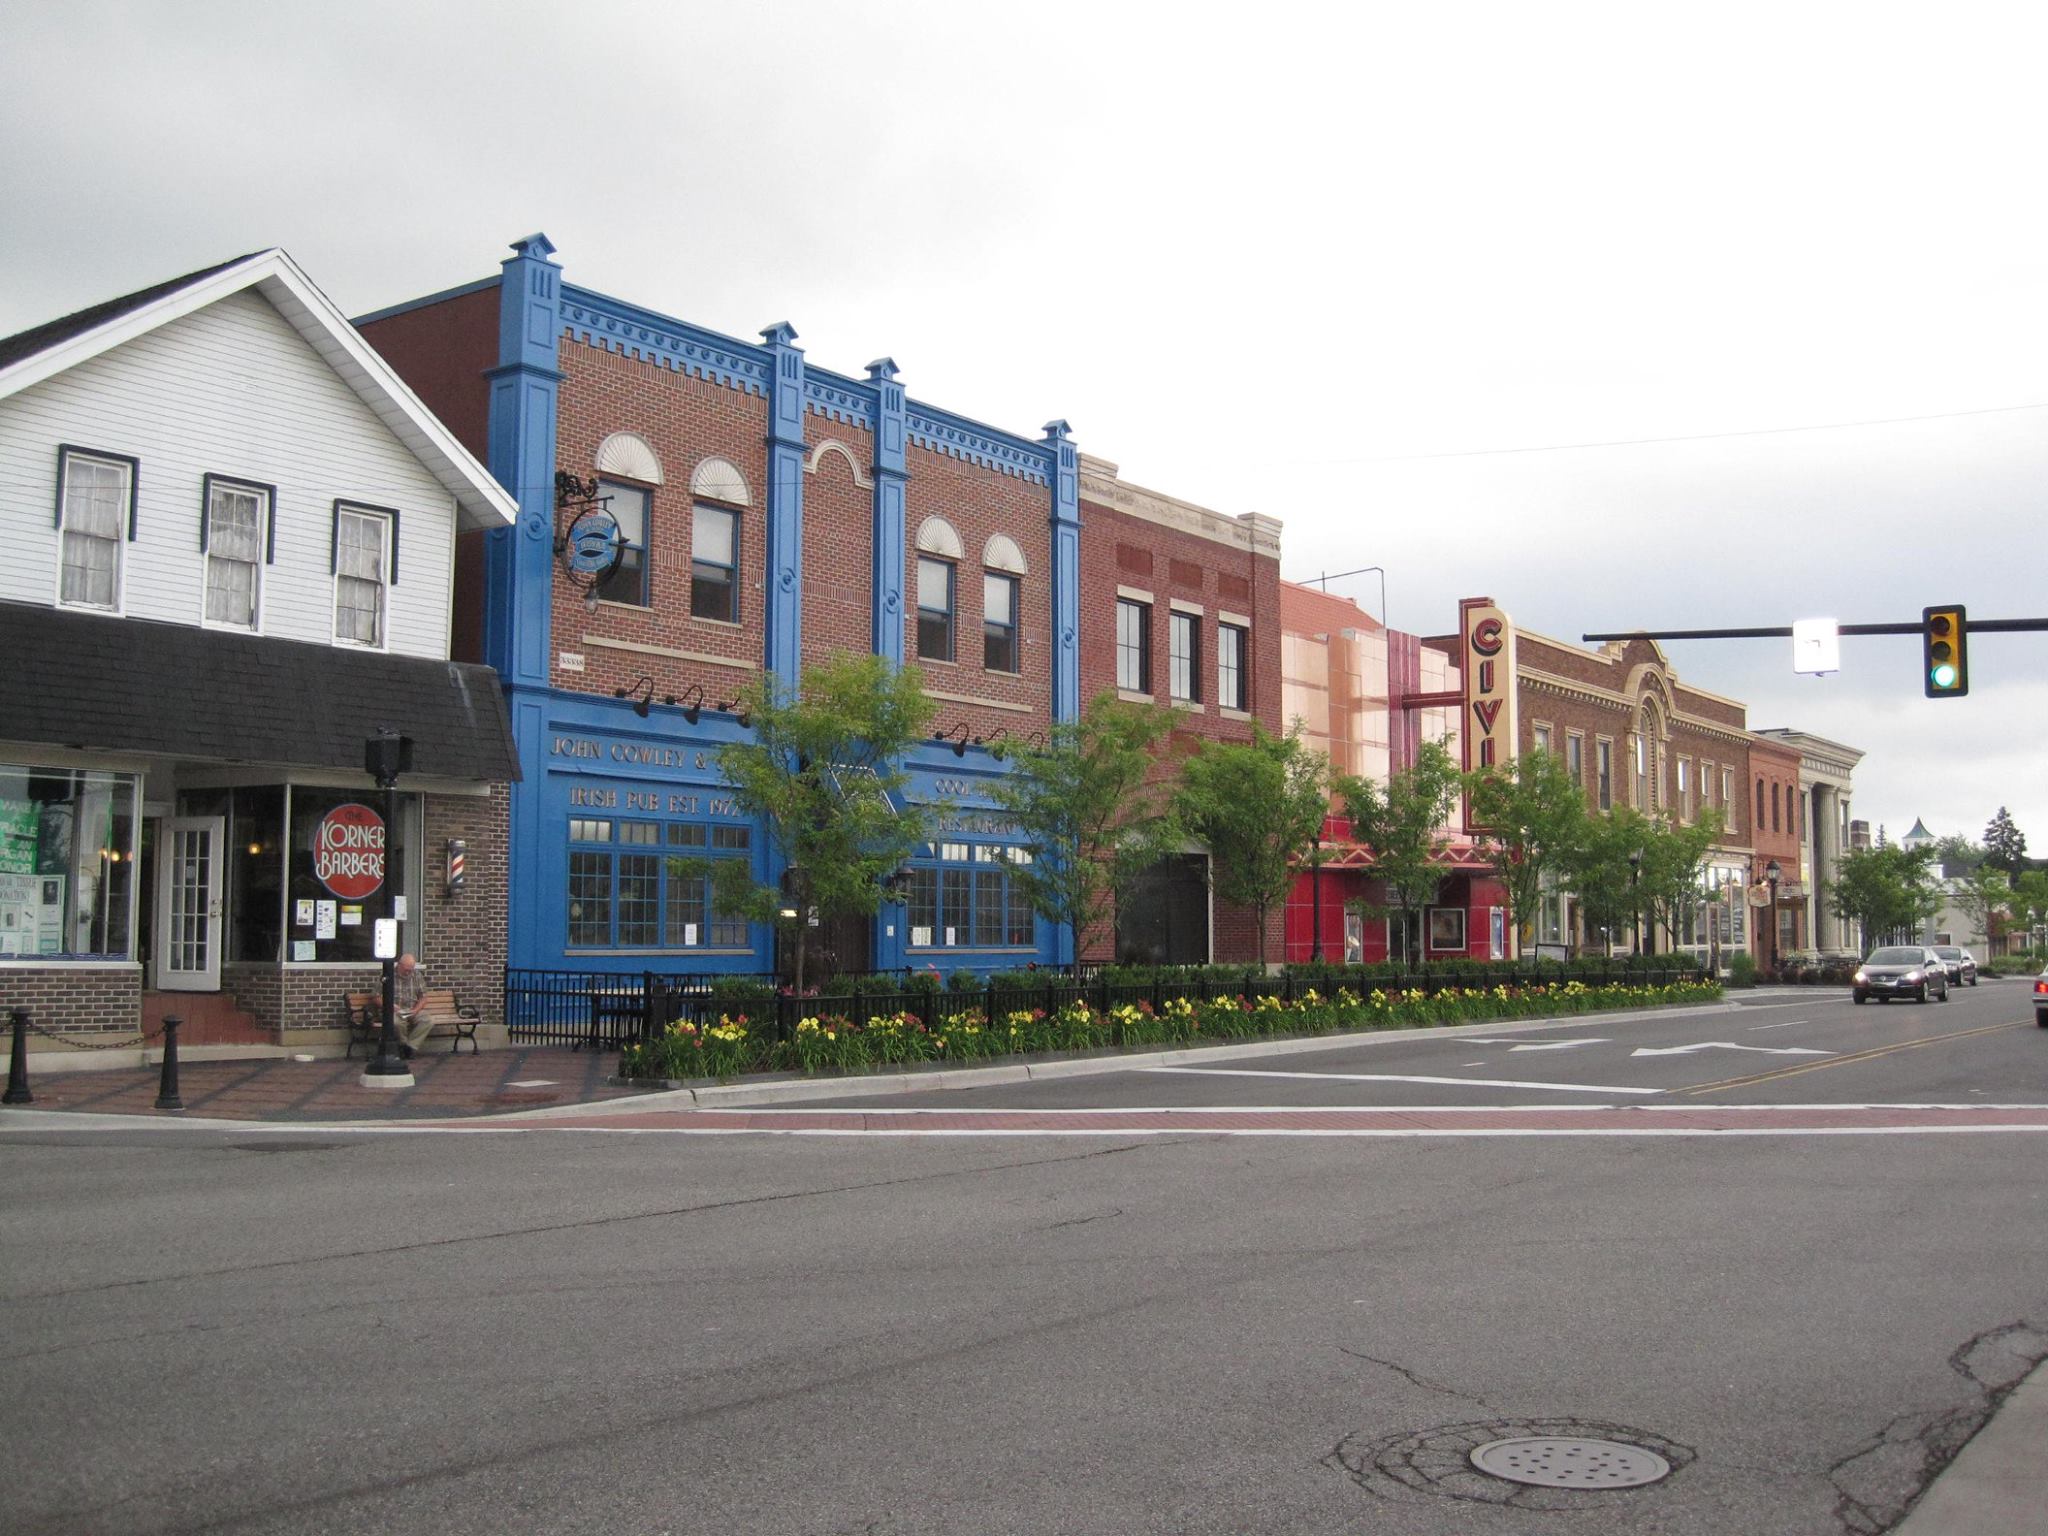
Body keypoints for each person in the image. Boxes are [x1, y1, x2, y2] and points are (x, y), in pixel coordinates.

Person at [392, 953, 434, 1057]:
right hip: (395, 1010)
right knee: (396, 1022)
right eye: (406, 969)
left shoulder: (417, 975)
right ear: (399, 965)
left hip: (412, 1009)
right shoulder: (388, 975)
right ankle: (403, 1045)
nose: (408, 972)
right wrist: (391, 1006)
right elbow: (377, 996)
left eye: (410, 970)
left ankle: (410, 1047)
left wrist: (415, 1010)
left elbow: (423, 997)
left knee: (428, 1020)